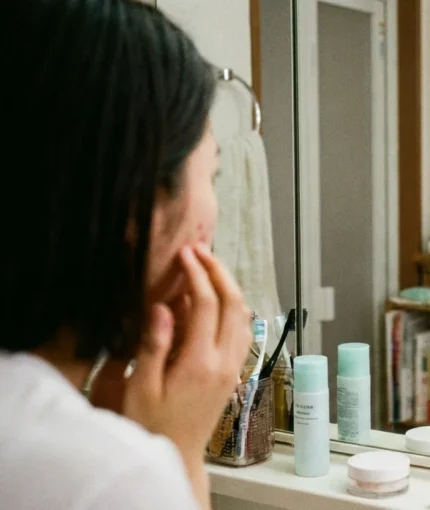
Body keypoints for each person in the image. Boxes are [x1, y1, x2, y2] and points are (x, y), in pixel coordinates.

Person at [0, 1, 252, 508]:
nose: (217, 210)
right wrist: (177, 455)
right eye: (213, 175)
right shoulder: (115, 477)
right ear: (137, 210)